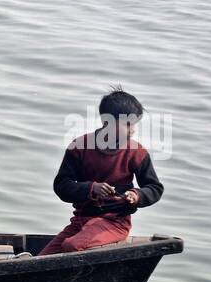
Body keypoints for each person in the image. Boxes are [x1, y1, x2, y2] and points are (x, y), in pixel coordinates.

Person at [40, 89, 164, 255]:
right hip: (80, 221)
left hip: (115, 222)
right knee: (43, 258)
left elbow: (154, 188)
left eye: (134, 124)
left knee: (72, 246)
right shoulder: (79, 147)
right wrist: (91, 189)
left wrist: (136, 195)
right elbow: (62, 186)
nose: (133, 130)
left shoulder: (136, 152)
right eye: (128, 124)